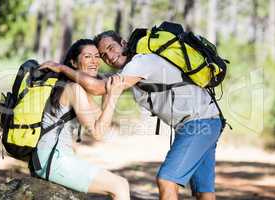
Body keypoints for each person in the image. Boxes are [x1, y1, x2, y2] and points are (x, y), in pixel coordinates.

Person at [40, 31, 223, 200]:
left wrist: (62, 68)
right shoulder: (128, 73)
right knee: (203, 191)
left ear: (124, 43)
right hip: (207, 121)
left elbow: (97, 88)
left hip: (199, 122)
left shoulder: (141, 62)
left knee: (167, 180)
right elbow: (102, 89)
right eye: (103, 55)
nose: (109, 57)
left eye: (111, 48)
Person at [36, 39, 130, 200]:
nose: (94, 61)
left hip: (52, 157)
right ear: (73, 62)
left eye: (96, 56)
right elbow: (98, 134)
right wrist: (113, 95)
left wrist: (109, 93)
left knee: (118, 184)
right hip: (53, 160)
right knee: (119, 185)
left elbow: (104, 127)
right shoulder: (74, 89)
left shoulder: (73, 87)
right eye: (87, 57)